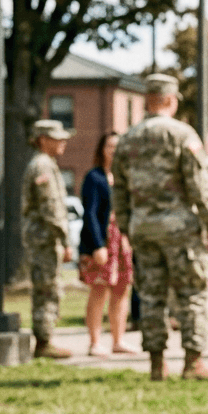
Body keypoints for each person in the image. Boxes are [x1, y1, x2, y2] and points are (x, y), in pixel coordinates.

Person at [112, 74, 208, 381]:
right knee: (193, 292)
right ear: (170, 100)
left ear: (148, 99)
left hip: (143, 228)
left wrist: (127, 226)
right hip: (180, 230)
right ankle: (192, 362)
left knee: (151, 295)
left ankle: (156, 363)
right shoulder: (182, 135)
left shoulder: (127, 139)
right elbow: (199, 185)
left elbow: (118, 190)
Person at [21, 120, 75, 360]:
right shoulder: (42, 165)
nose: (63, 141)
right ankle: (44, 341)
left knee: (48, 286)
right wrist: (64, 239)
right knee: (47, 288)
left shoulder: (44, 163)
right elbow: (50, 207)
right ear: (42, 139)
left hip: (43, 237)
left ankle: (46, 337)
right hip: (44, 238)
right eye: (57, 137)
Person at [79, 132, 136, 356]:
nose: (114, 150)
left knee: (122, 289)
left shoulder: (124, 177)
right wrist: (97, 246)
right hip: (103, 240)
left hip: (123, 239)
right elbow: (90, 214)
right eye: (110, 146)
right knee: (99, 289)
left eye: (118, 146)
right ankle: (94, 342)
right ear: (102, 149)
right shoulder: (94, 177)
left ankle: (118, 340)